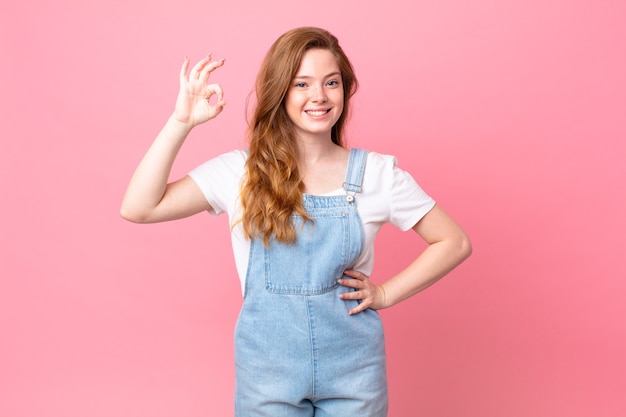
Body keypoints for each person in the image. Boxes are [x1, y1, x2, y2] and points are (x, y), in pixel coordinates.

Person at [121, 26, 471, 417]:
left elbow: (453, 242)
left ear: (345, 89)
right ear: (280, 92)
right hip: (267, 375)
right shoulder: (240, 172)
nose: (318, 96)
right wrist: (181, 121)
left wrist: (386, 294)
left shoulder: (377, 174)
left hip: (354, 373)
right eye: (301, 83)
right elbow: (139, 207)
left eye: (331, 82)